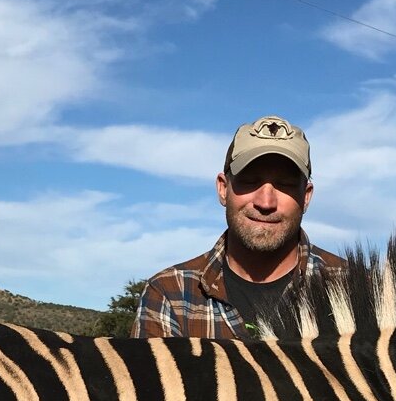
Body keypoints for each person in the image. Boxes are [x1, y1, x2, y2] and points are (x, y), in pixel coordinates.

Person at [133, 115, 345, 338]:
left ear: (306, 197)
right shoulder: (170, 295)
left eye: (286, 185)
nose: (265, 202)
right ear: (223, 188)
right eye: (250, 181)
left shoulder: (357, 290)